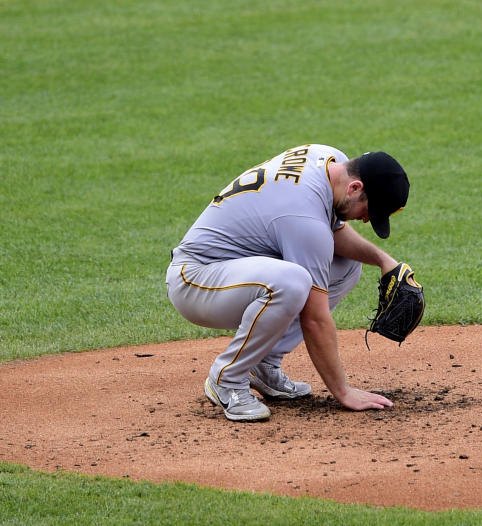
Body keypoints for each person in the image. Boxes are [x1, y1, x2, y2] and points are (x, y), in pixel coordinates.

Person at [165, 144, 410, 422]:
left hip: (234, 272)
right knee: (292, 283)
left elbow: (327, 233)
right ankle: (228, 379)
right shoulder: (302, 215)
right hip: (196, 280)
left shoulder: (328, 159)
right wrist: (343, 392)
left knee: (346, 265)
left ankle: (263, 363)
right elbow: (315, 319)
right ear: (354, 188)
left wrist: (382, 260)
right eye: (369, 209)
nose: (367, 219)